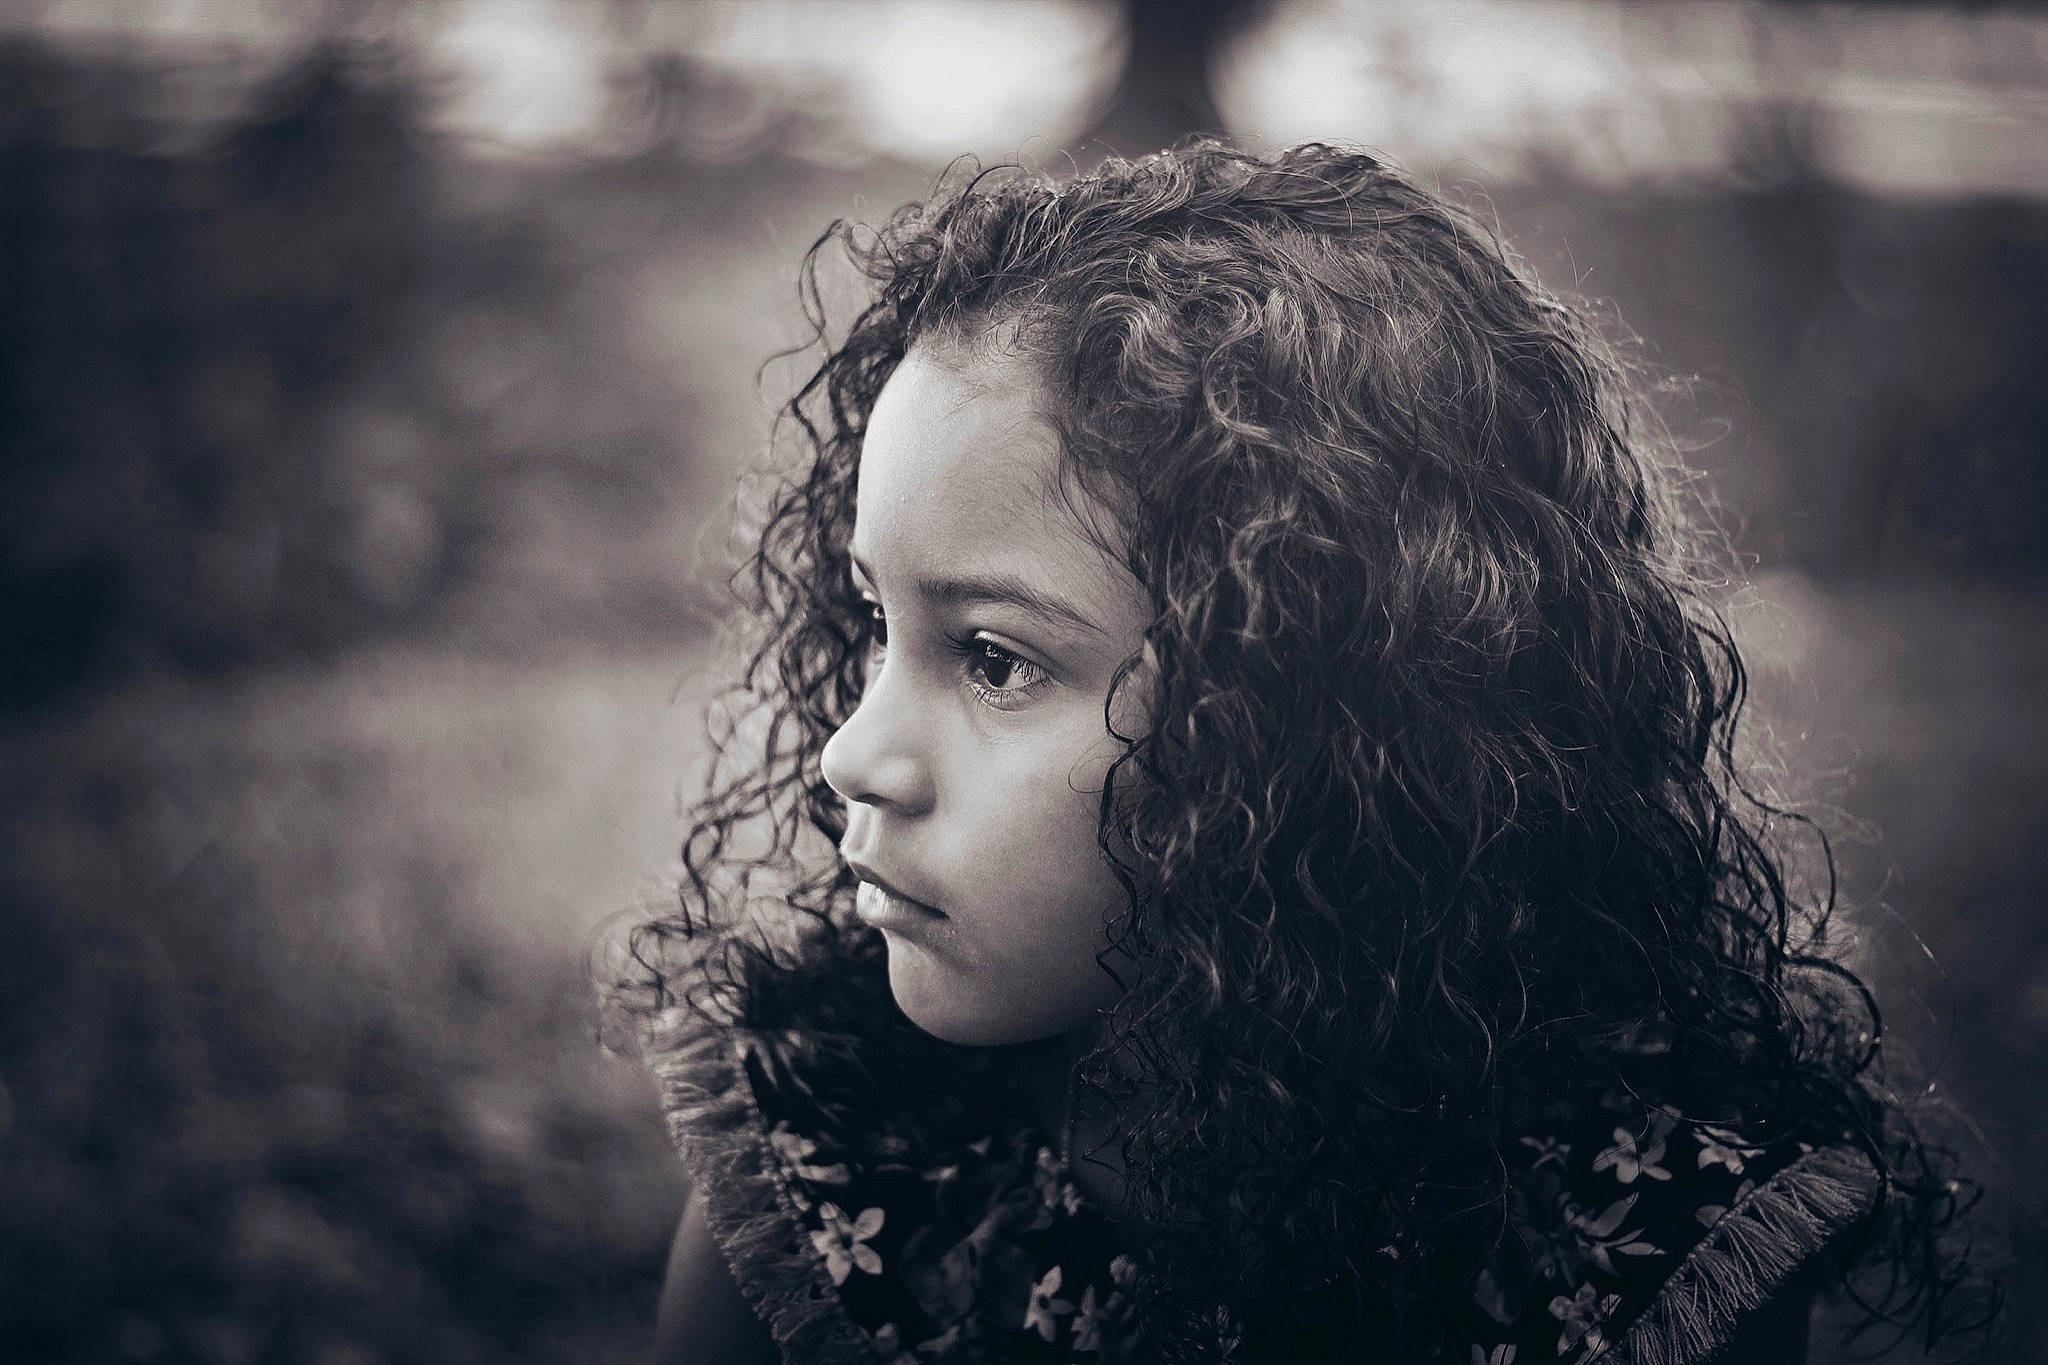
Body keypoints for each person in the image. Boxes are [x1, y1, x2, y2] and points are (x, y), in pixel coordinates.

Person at [612, 142, 1991, 1364]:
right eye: (873, 620)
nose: (853, 755)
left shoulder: (1644, 1227)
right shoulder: (833, 1140)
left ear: (1303, 728)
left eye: (994, 658)